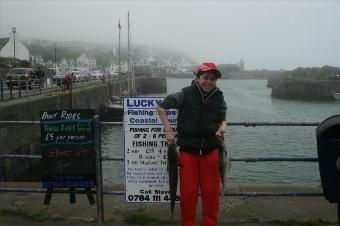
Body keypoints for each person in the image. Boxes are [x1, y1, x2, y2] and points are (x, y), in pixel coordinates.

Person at [156, 62, 227, 226]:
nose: (208, 81)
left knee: (211, 193)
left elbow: (223, 119)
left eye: (212, 79)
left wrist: (221, 129)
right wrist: (168, 131)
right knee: (188, 194)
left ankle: (210, 223)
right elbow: (161, 108)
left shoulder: (219, 96)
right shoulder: (185, 94)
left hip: (211, 151)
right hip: (188, 153)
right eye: (205, 77)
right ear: (197, 78)